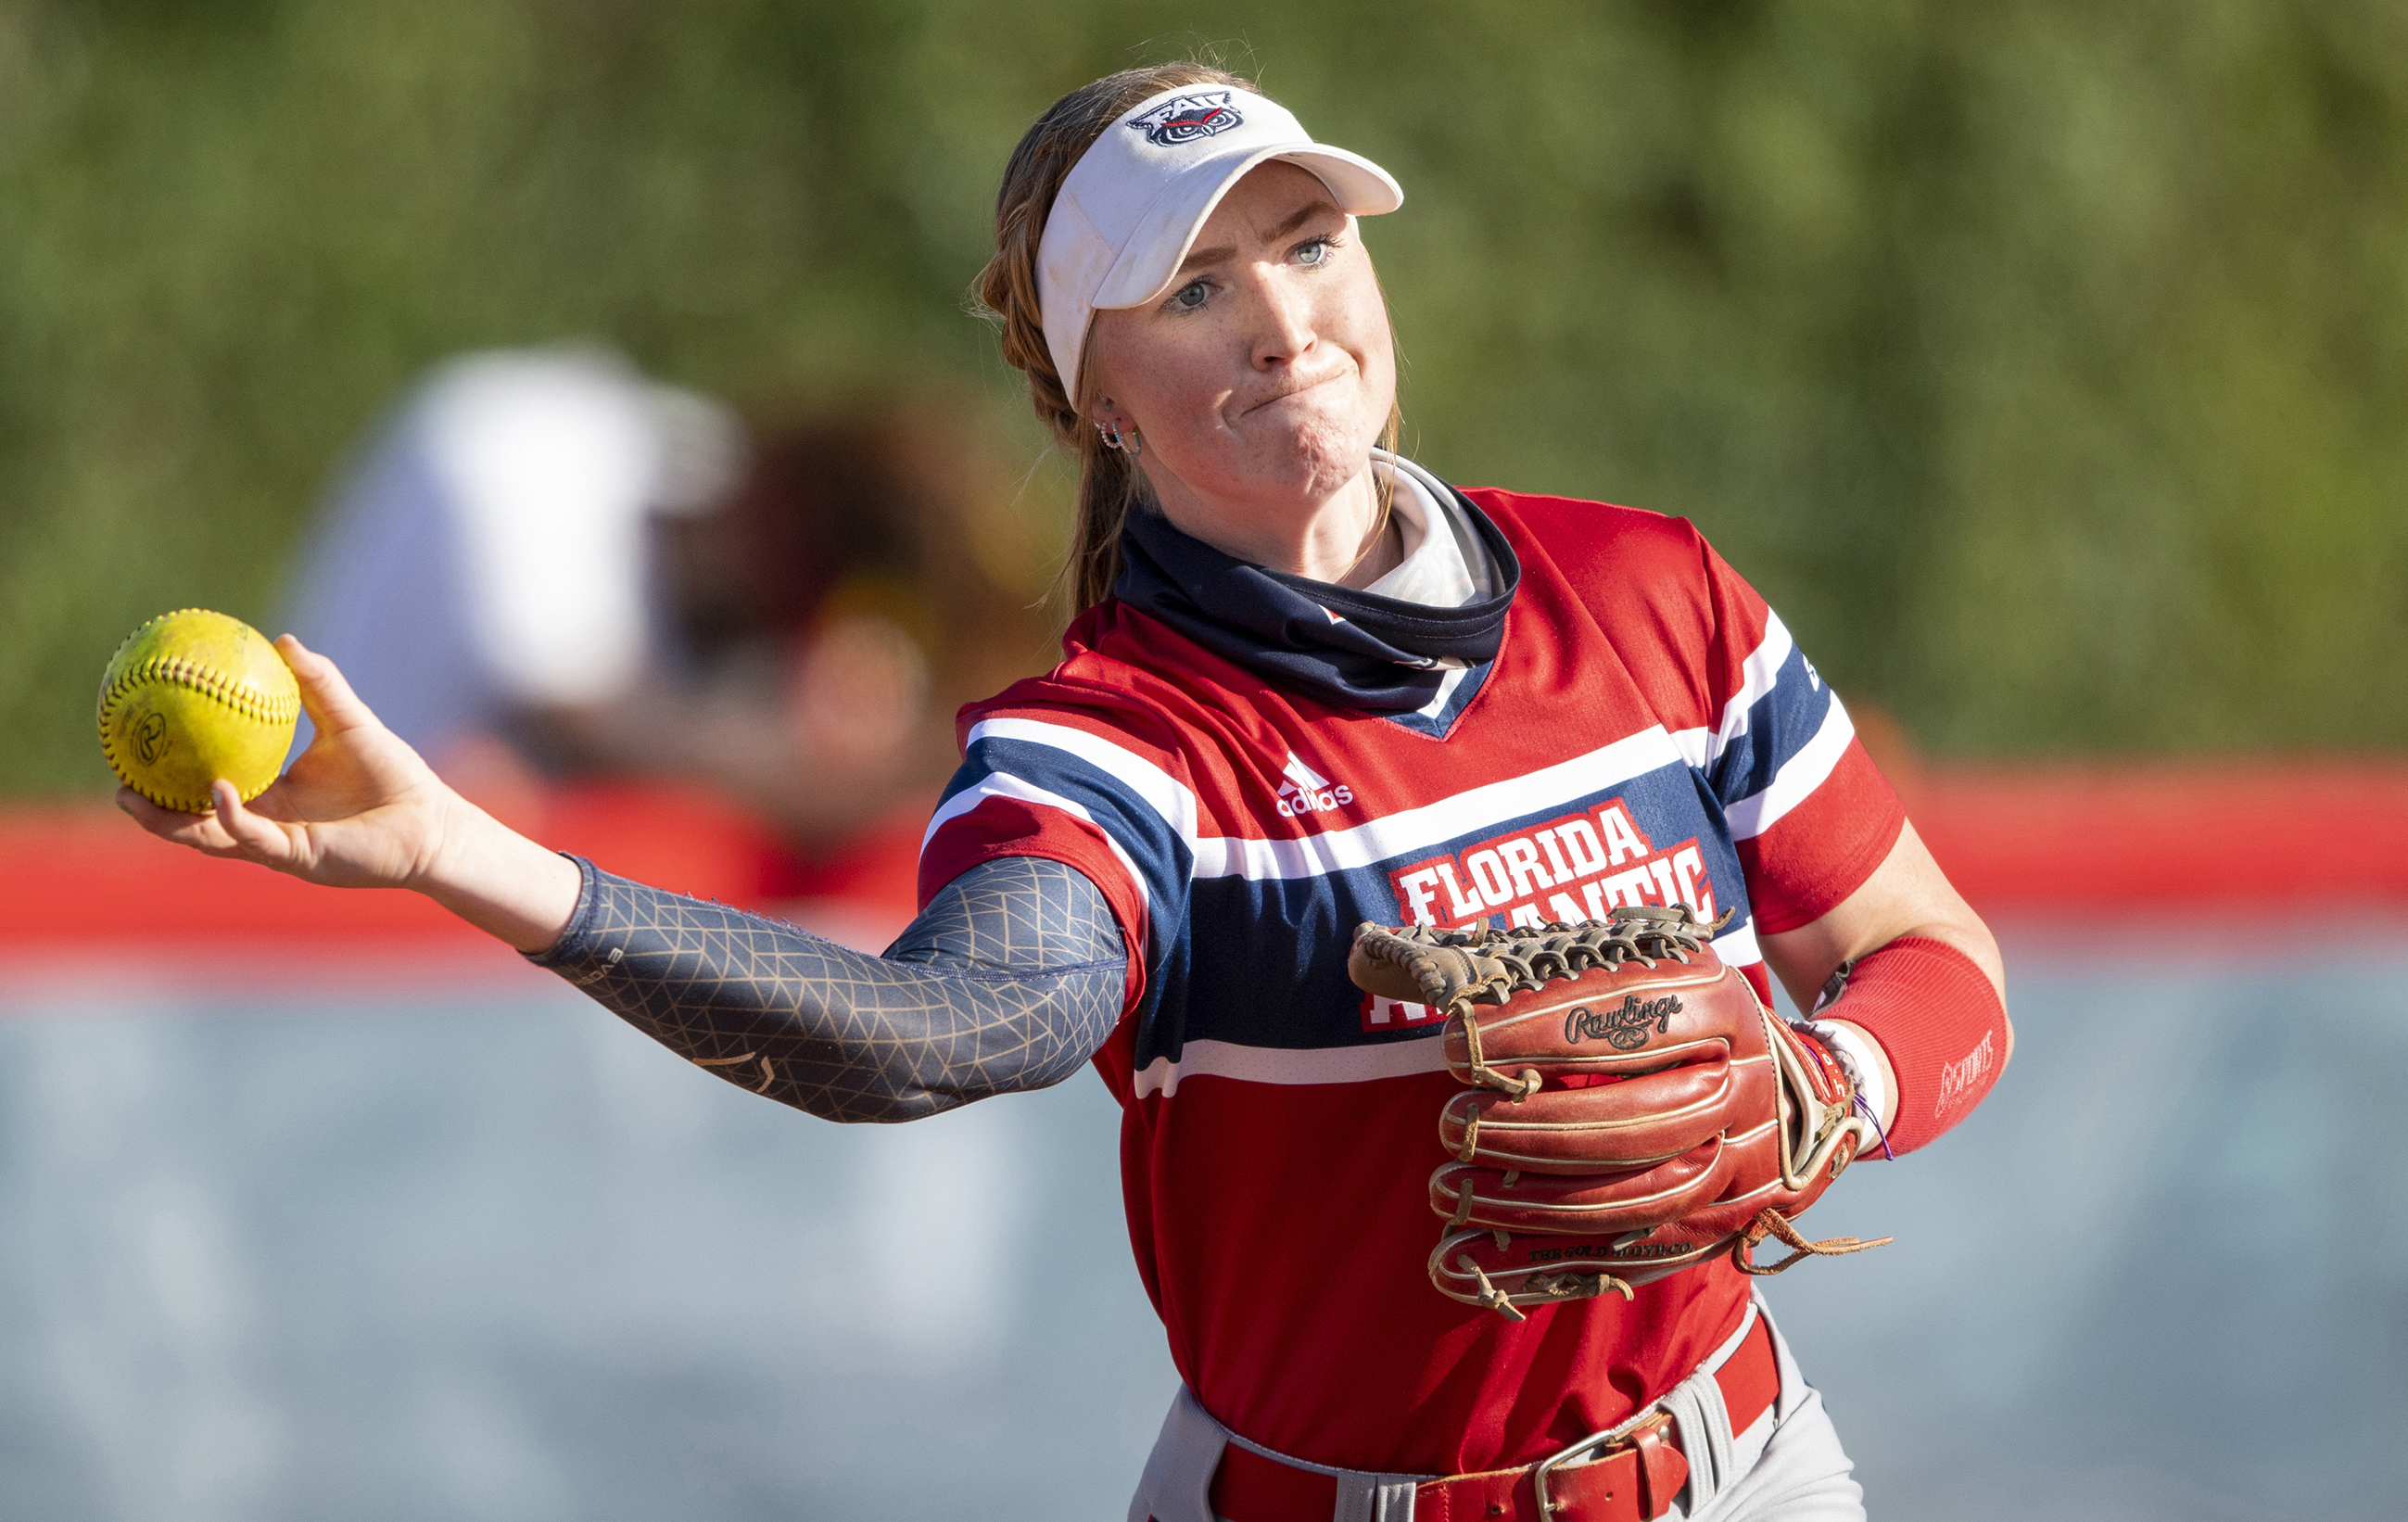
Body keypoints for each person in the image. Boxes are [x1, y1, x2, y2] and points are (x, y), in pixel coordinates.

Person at [120, 63, 2012, 1522]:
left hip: (1744, 1469)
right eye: (1193, 284)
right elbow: (936, 1029)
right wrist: (464, 848)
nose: (1281, 318)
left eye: (1310, 241)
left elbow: (1930, 954)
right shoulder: (1114, 745)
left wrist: (1825, 1080)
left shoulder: (1651, 591)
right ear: (1090, 389)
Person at [284, 349, 1049, 849]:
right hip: (325, 952)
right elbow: (618, 736)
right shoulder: (521, 456)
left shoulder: (687, 465)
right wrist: (890, 765)